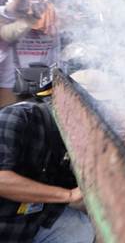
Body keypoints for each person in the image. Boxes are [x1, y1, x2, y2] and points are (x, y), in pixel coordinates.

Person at [0, 101, 94, 243]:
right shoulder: (17, 117)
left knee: (80, 228)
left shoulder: (79, 145)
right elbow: (2, 180)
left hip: (27, 222)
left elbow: (79, 198)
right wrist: (68, 195)